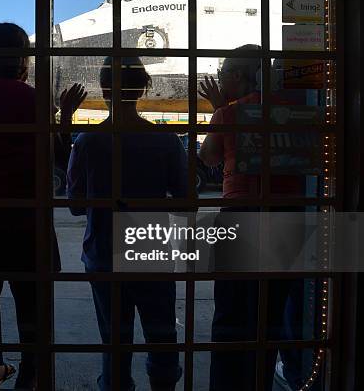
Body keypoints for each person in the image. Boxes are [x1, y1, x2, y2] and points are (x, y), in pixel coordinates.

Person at [0, 22, 86, 389]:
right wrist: (66, 117)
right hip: (28, 223)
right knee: (31, 307)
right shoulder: (36, 100)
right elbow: (57, 158)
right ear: (24, 57)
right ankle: (30, 373)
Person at [67, 57, 186, 391]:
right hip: (150, 247)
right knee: (162, 334)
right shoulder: (166, 140)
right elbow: (185, 199)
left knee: (115, 339)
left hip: (103, 252)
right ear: (143, 87)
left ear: (104, 89)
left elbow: (76, 205)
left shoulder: (87, 142)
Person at [199, 45, 305, 391]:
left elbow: (209, 158)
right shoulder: (296, 110)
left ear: (239, 76)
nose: (219, 79)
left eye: (223, 72)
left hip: (240, 216)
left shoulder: (229, 114)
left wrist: (219, 112)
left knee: (230, 315)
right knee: (269, 315)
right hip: (288, 217)